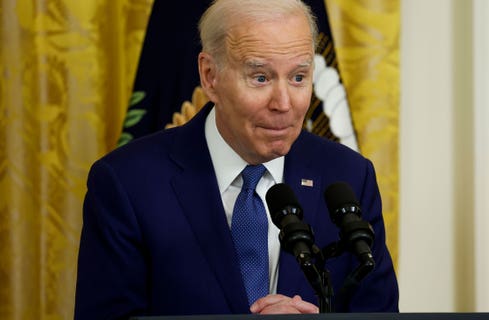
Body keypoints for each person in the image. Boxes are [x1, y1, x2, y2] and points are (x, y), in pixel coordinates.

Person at [74, 0, 398, 318]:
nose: (284, 103)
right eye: (261, 78)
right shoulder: (127, 183)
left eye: (298, 77)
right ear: (210, 75)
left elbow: (377, 313)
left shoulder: (349, 176)